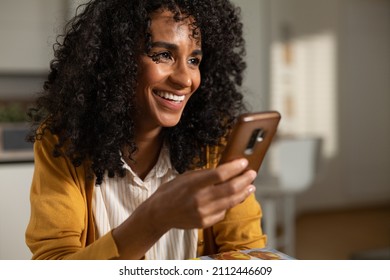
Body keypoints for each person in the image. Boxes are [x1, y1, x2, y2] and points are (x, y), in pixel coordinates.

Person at [25, 0, 267, 260]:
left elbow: (248, 254)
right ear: (116, 58)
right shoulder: (63, 142)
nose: (185, 79)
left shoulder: (214, 142)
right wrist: (155, 218)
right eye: (163, 54)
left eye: (194, 60)